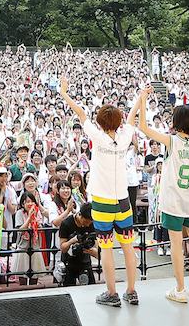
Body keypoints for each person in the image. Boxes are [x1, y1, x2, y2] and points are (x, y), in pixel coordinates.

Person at [59, 77, 138, 308]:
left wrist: (65, 94)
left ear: (100, 122)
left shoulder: (97, 136)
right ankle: (131, 291)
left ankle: (112, 294)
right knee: (128, 247)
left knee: (106, 247)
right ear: (118, 121)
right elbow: (132, 116)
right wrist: (141, 96)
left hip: (102, 203)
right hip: (124, 200)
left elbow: (81, 113)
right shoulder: (124, 138)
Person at [134, 89, 189, 302]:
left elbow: (142, 127)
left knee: (176, 244)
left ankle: (180, 289)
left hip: (173, 201)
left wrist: (143, 98)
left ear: (175, 121)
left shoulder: (170, 141)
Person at [57, 203, 98, 287]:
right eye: (86, 222)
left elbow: (97, 253)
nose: (87, 225)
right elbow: (63, 248)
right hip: (69, 262)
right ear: (79, 215)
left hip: (85, 261)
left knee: (91, 288)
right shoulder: (66, 223)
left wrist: (91, 251)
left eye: (90, 223)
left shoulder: (92, 225)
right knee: (69, 289)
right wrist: (71, 241)